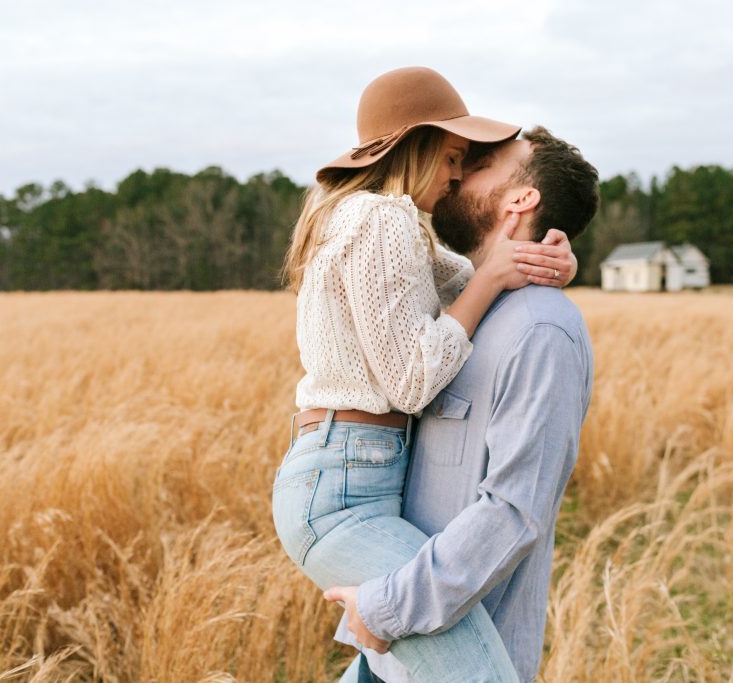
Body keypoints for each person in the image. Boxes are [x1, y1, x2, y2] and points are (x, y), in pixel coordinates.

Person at [271, 67, 579, 683]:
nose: (458, 174)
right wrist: (494, 276)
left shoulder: (375, 222)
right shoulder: (382, 221)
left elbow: (472, 276)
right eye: (453, 156)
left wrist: (545, 261)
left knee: (397, 668)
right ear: (416, 148)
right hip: (343, 492)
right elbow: (414, 381)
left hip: (347, 475)